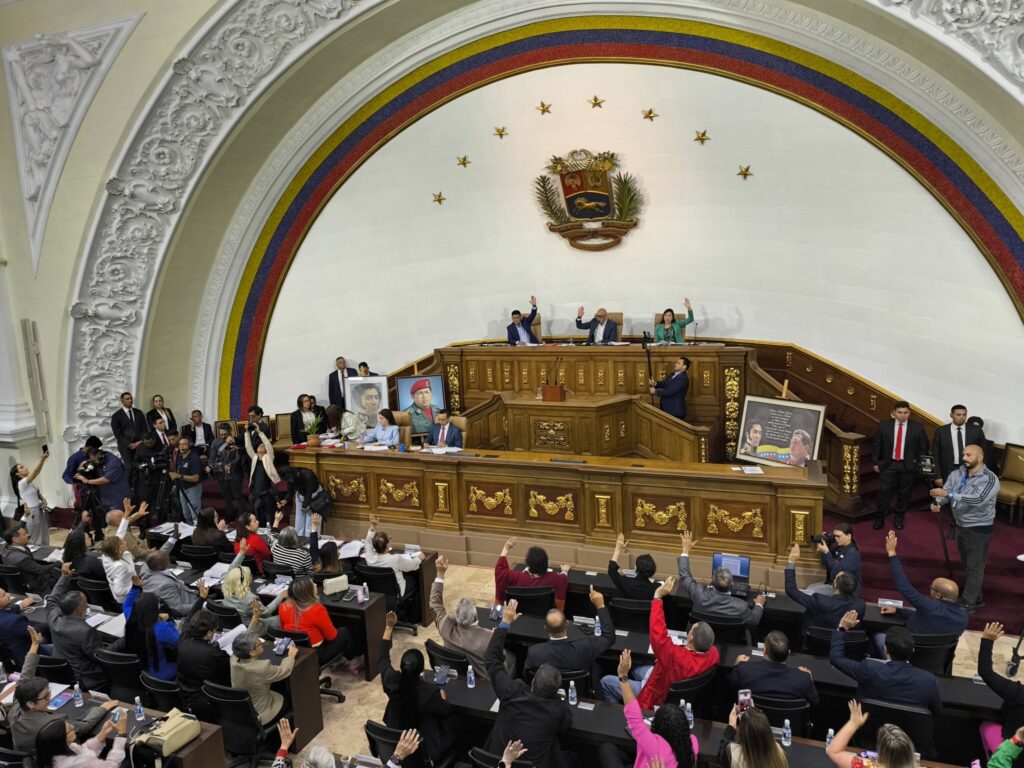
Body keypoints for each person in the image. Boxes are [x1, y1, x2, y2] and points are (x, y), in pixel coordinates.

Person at [484, 600, 574, 768]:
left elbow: (491, 659)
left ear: (532, 681)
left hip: (491, 761)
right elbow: (567, 723)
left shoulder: (513, 691)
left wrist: (504, 623)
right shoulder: (557, 710)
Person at [611, 575, 719, 707]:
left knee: (607, 682)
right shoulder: (713, 654)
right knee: (635, 668)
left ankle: (618, 714)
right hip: (669, 680)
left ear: (690, 637)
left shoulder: (674, 656)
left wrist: (657, 598)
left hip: (656, 695)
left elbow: (659, 635)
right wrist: (664, 657)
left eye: (691, 630)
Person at [830, 612, 942, 719]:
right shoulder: (928, 680)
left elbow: (836, 658)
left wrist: (841, 629)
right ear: (912, 650)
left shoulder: (869, 669)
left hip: (868, 732)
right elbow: (936, 713)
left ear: (885, 650)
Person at [598, 649, 697, 768]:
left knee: (606, 749)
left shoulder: (653, 745)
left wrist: (623, 675)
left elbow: (632, 713)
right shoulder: (693, 743)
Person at [929, 443, 998, 613]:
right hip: (961, 524)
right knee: (968, 564)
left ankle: (968, 603)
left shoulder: (990, 478)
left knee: (975, 567)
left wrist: (950, 495)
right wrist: (937, 502)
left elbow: (978, 499)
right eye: (964, 454)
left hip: (979, 527)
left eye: (969, 455)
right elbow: (946, 491)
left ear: (980, 457)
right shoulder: (957, 473)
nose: (965, 458)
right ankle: (977, 596)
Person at [875, 530, 966, 656]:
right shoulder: (963, 617)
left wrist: (892, 553)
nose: (930, 590)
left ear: (939, 595)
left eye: (931, 588)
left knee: (878, 637)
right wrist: (898, 611)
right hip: (935, 658)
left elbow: (904, 586)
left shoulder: (930, 606)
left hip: (909, 654)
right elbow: (928, 619)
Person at [380, 610, 454, 762]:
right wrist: (443, 697)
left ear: (400, 667)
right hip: (421, 750)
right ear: (421, 670)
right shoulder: (431, 692)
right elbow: (446, 711)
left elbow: (382, 657)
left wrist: (389, 627)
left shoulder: (391, 680)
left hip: (396, 739)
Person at [11, 662, 117, 756]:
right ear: (30, 703)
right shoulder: (53, 724)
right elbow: (84, 726)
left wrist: (34, 646)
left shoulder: (15, 708)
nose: (50, 697)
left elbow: (24, 677)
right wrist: (102, 708)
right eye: (46, 696)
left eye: (49, 692)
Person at [678, 531, 764, 638]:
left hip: (701, 638)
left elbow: (685, 576)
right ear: (732, 585)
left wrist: (685, 550)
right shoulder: (741, 606)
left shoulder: (699, 594)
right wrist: (759, 604)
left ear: (712, 582)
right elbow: (754, 620)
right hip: (730, 642)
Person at [525, 586, 615, 684]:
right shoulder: (585, 646)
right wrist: (600, 605)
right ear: (567, 624)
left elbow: (527, 676)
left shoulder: (534, 652)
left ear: (545, 628)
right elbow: (609, 637)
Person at [44, 565, 106, 692]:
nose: (87, 604)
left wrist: (64, 577)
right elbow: (100, 656)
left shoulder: (54, 619)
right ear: (79, 609)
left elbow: (52, 598)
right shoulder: (86, 631)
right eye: (85, 603)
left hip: (64, 670)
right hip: (87, 678)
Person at [429, 555, 495, 674]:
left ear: (455, 616)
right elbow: (500, 658)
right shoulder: (489, 637)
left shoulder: (445, 627)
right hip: (482, 679)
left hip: (457, 672)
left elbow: (434, 604)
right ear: (476, 617)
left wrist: (440, 574)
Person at [784, 543, 865, 637]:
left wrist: (791, 562)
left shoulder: (820, 601)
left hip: (813, 643)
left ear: (835, 585)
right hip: (844, 645)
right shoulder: (860, 606)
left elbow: (791, 590)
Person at [872, 401, 929, 530]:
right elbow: (877, 444)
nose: (903, 415)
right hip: (889, 464)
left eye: (905, 413)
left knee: (905, 494)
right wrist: (876, 462)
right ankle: (880, 518)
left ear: (909, 413)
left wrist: (919, 465)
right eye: (900, 412)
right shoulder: (884, 425)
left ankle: (899, 518)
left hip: (908, 466)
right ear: (894, 413)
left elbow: (924, 448)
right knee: (884, 492)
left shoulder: (918, 427)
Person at [115, 585, 191, 680]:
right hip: (160, 673)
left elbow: (126, 604)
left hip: (139, 669)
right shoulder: (162, 628)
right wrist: (167, 622)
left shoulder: (131, 617)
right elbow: (181, 643)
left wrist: (135, 587)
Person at [277, 575, 353, 666]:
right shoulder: (317, 609)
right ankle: (353, 661)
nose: (316, 585)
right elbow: (331, 637)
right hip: (316, 654)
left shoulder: (283, 607)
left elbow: (283, 629)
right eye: (313, 584)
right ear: (307, 592)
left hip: (294, 651)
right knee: (344, 632)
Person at [730, 630, 819, 705]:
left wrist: (736, 665)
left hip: (748, 721)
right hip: (787, 723)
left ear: (765, 650)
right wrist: (809, 678)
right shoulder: (803, 679)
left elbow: (732, 690)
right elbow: (815, 702)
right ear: (788, 652)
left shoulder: (743, 670)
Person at [230, 630, 298, 725]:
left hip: (242, 709)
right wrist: (291, 656)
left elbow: (243, 641)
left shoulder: (233, 659)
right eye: (259, 644)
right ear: (252, 653)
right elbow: (285, 671)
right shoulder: (262, 668)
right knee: (286, 696)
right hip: (261, 713)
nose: (262, 643)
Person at [826, 699, 919, 768]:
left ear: (881, 752)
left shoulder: (865, 766)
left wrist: (853, 724)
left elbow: (833, 751)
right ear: (909, 750)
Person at [176, 608, 231, 714]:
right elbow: (228, 675)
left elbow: (187, 621)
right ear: (209, 633)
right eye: (215, 629)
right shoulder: (216, 654)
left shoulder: (182, 641)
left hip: (184, 693)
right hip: (208, 699)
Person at [34, 705, 127, 768]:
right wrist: (122, 734)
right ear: (62, 739)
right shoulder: (77, 763)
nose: (74, 728)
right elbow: (112, 765)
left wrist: (102, 734)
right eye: (70, 729)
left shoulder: (57, 752)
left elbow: (85, 749)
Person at [978, 622, 1024, 743]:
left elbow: (986, 672)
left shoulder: (1020, 694)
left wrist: (987, 641)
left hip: (1012, 753)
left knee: (986, 727)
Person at [494, 536, 569, 611]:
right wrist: (565, 571)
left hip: (518, 616)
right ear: (546, 563)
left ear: (527, 563)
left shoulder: (516, 577)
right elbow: (563, 578)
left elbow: (500, 571)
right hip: (543, 618)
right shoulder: (556, 578)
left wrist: (506, 548)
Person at [219, 551, 282, 632]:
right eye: (250, 575)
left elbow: (231, 569)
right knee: (282, 617)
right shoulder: (250, 598)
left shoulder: (226, 588)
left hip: (238, 625)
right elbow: (265, 613)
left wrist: (241, 553)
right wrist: (281, 596)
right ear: (246, 580)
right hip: (253, 627)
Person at [365, 514, 424, 600]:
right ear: (388, 545)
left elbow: (367, 543)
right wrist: (419, 558)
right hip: (397, 593)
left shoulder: (370, 558)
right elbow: (411, 565)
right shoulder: (395, 559)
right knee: (416, 580)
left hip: (378, 593)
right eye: (389, 539)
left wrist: (372, 527)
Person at [718, 704, 787, 768]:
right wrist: (754, 715)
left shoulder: (733, 754)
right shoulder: (779, 752)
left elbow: (722, 750)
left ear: (743, 734)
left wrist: (732, 725)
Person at [139, 549, 200, 618]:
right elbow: (178, 609)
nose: (169, 558)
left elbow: (158, 554)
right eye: (166, 559)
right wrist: (202, 604)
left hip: (182, 590)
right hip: (189, 603)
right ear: (158, 566)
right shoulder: (166, 585)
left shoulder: (145, 567)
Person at [3, 525, 61, 593]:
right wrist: (59, 562)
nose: (28, 535)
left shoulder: (5, 548)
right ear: (15, 539)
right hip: (35, 584)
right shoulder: (22, 559)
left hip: (17, 582)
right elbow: (41, 570)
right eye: (24, 534)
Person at [73, 446, 132, 512]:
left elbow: (105, 479)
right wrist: (81, 468)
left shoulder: (113, 463)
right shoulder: (99, 460)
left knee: (118, 519)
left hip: (118, 498)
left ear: (100, 456)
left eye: (93, 461)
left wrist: (87, 481)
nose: (93, 463)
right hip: (105, 497)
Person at [11, 447, 50, 545]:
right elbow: (36, 473)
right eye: (22, 467)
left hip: (39, 510)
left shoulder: (29, 482)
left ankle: (46, 555)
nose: (25, 467)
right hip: (32, 512)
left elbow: (37, 492)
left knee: (44, 534)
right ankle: (37, 557)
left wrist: (43, 499)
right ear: (17, 473)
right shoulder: (21, 483)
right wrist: (42, 460)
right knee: (36, 538)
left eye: (24, 466)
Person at [811, 522, 862, 596]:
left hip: (845, 590)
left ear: (849, 536)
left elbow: (836, 572)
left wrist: (826, 552)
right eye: (834, 536)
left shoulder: (852, 553)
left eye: (838, 536)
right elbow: (825, 563)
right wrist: (826, 546)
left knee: (810, 592)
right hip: (834, 584)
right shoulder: (839, 547)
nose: (836, 539)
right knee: (810, 587)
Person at [207, 423, 244, 522]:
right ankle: (229, 515)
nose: (223, 436)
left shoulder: (235, 441)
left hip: (234, 472)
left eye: (225, 434)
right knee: (226, 496)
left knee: (238, 496)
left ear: (230, 431)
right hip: (221, 473)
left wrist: (231, 464)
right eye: (221, 434)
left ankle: (242, 517)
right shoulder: (215, 442)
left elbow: (239, 456)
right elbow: (211, 458)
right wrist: (211, 466)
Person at [276, 464, 325, 537]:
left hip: (314, 496)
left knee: (310, 522)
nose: (290, 481)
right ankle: (298, 540)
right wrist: (286, 500)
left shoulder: (308, 475)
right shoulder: (289, 477)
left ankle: (311, 542)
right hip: (301, 495)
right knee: (299, 522)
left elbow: (309, 492)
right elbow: (291, 491)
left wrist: (305, 506)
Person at [244, 427, 280, 526]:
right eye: (260, 445)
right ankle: (261, 530)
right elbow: (248, 447)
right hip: (256, 492)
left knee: (271, 514)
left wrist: (259, 432)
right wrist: (247, 432)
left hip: (266, 492)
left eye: (263, 446)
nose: (262, 447)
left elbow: (268, 445)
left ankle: (274, 530)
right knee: (259, 515)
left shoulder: (269, 458)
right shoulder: (254, 458)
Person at [607, 532, 657, 600]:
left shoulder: (626, 583)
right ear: (653, 570)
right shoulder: (655, 588)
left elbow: (612, 570)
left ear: (636, 567)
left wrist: (618, 549)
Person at [109, 391, 147, 476]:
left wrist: (140, 441)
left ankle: (138, 488)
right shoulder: (116, 416)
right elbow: (117, 433)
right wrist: (129, 444)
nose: (130, 400)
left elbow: (144, 429)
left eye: (131, 398)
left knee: (141, 468)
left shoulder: (139, 412)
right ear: (122, 401)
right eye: (127, 399)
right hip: (125, 447)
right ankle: (129, 487)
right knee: (130, 468)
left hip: (140, 445)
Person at [0, 588, 37, 667]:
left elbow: (4, 614)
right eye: (4, 595)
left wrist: (21, 605)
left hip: (11, 657)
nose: (8, 594)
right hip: (30, 659)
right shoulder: (14, 621)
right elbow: (36, 631)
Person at [170, 436, 202, 525]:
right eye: (180, 444)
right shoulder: (180, 457)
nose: (181, 446)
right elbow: (179, 472)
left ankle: (197, 535)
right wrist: (175, 484)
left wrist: (179, 476)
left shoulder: (194, 458)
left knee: (195, 514)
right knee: (186, 514)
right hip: (182, 488)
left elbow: (196, 478)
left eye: (184, 444)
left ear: (189, 445)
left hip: (193, 489)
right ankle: (189, 535)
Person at [99, 535, 135, 603]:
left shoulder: (106, 556)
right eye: (122, 543)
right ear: (117, 549)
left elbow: (120, 533)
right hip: (128, 598)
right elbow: (118, 591)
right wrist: (135, 586)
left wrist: (125, 523)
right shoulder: (120, 566)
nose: (125, 542)